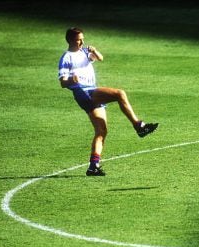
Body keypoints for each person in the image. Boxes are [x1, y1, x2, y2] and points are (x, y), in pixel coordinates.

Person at [58, 27, 158, 176]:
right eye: (79, 39)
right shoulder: (66, 58)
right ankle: (138, 126)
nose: (82, 41)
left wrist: (95, 51)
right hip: (83, 91)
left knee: (101, 131)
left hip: (90, 90)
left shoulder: (84, 52)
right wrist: (72, 80)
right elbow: (62, 82)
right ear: (71, 40)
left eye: (83, 38)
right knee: (120, 93)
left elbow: (100, 58)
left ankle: (93, 166)